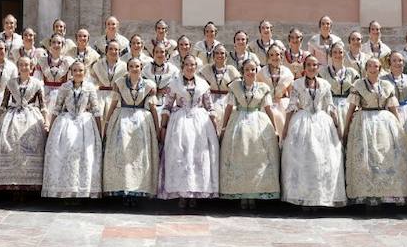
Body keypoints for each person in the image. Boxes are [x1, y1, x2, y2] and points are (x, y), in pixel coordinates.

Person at [343, 56, 407, 206]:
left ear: (380, 69)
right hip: (364, 122)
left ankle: (386, 195)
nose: (373, 69)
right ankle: (367, 196)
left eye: (376, 66)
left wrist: (399, 127)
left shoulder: (387, 85)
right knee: (366, 158)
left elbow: (393, 108)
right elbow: (351, 108)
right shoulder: (358, 85)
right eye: (370, 66)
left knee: (385, 157)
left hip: (384, 121)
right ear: (366, 69)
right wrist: (346, 127)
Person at [280, 56, 346, 208]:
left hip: (322, 122)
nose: (311, 68)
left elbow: (330, 105)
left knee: (322, 160)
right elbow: (291, 106)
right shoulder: (297, 84)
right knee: (303, 159)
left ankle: (319, 197)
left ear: (318, 67)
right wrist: (285, 128)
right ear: (304, 67)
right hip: (302, 121)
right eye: (309, 65)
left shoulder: (325, 84)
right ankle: (303, 197)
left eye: (315, 65)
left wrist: (337, 126)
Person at [160, 53, 221, 206]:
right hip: (179, 122)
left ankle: (195, 193)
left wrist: (214, 127)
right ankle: (181, 193)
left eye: (193, 65)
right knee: (181, 155)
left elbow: (210, 107)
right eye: (187, 64)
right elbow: (167, 106)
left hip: (200, 123)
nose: (190, 67)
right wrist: (163, 126)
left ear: (196, 67)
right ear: (182, 67)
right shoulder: (174, 84)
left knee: (197, 156)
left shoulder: (203, 84)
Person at [219, 58, 280, 207]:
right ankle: (241, 194)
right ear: (242, 72)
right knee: (239, 157)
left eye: (253, 69)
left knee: (258, 158)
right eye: (247, 70)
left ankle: (253, 194)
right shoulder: (235, 87)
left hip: (258, 123)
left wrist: (275, 128)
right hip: (238, 122)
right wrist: (224, 127)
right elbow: (229, 107)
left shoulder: (263, 88)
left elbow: (268, 108)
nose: (250, 72)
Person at [42, 59, 103, 200]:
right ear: (71, 72)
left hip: (85, 124)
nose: (78, 73)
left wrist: (99, 132)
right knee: (66, 151)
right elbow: (57, 108)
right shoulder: (64, 87)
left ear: (85, 72)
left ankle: (81, 192)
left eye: (81, 70)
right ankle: (65, 191)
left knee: (84, 155)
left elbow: (96, 110)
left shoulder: (89, 87)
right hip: (66, 122)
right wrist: (51, 129)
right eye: (75, 70)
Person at [102, 55, 160, 202]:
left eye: (137, 67)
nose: (134, 69)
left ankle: (138, 192)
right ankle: (122, 190)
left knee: (138, 157)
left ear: (141, 68)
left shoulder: (149, 85)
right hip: (122, 119)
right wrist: (107, 122)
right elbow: (114, 103)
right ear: (127, 68)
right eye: (132, 67)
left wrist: (157, 127)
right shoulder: (119, 83)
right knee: (122, 154)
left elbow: (153, 108)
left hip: (141, 121)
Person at [0, 55, 48, 192]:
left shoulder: (37, 84)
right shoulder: (11, 83)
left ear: (31, 67)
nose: (24, 67)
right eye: (21, 65)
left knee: (31, 146)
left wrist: (46, 122)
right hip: (12, 115)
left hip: (31, 116)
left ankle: (29, 185)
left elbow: (43, 105)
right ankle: (12, 184)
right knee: (10, 144)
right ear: (18, 67)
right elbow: (4, 104)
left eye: (27, 65)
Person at [381, 52, 407, 149]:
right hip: (390, 113)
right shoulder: (383, 80)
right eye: (394, 60)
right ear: (389, 63)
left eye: (400, 60)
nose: (398, 63)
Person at [322, 42, 361, 118]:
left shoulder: (352, 73)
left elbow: (357, 94)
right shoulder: (323, 72)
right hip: (330, 107)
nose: (337, 55)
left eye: (340, 52)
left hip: (348, 108)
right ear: (330, 54)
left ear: (344, 54)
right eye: (335, 52)